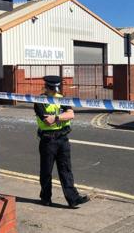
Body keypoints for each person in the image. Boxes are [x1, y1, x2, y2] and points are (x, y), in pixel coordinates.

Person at [34, 75, 89, 208]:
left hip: (63, 139)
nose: (55, 91)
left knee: (66, 169)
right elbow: (47, 120)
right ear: (46, 87)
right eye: (52, 89)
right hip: (48, 140)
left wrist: (57, 117)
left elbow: (71, 114)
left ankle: (73, 199)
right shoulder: (39, 101)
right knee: (46, 171)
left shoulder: (62, 98)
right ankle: (46, 198)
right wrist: (60, 117)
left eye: (56, 89)